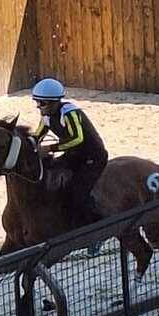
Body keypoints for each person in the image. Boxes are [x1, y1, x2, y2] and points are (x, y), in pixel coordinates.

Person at [31, 77, 108, 227]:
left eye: (42, 103)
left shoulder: (69, 113)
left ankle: (97, 223)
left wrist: (51, 148)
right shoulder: (46, 116)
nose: (38, 107)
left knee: (78, 193)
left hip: (93, 157)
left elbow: (77, 138)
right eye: (37, 102)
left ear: (54, 102)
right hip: (74, 155)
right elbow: (37, 136)